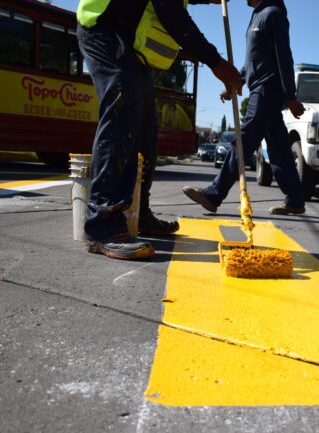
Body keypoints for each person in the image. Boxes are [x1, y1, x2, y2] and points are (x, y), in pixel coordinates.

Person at [76, 0, 242, 260]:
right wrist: (215, 61)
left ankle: (139, 213)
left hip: (130, 44)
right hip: (105, 29)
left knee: (145, 129)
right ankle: (102, 221)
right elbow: (169, 10)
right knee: (123, 103)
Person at [182, 0, 306, 216]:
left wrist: (290, 96)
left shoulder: (273, 14)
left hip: (268, 89)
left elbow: (284, 57)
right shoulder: (257, 16)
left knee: (243, 141)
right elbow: (253, 61)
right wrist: (234, 80)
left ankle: (214, 194)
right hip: (261, 88)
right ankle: (295, 199)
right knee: (278, 148)